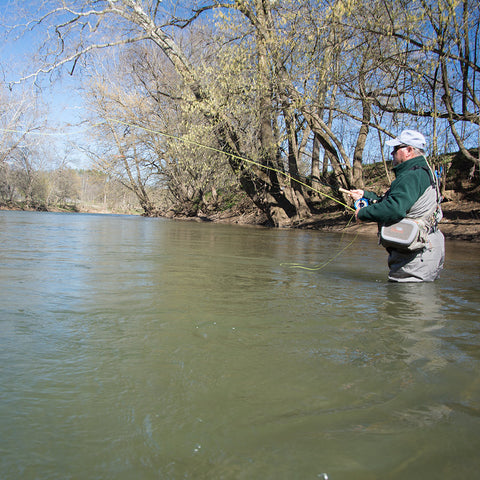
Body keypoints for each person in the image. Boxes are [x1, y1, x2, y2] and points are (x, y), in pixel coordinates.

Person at [345, 129, 445, 282]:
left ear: (409, 150)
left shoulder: (412, 176)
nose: (392, 153)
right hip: (427, 247)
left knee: (406, 302)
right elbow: (396, 201)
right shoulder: (420, 172)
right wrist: (365, 196)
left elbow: (394, 208)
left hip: (417, 256)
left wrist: (362, 213)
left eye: (396, 149)